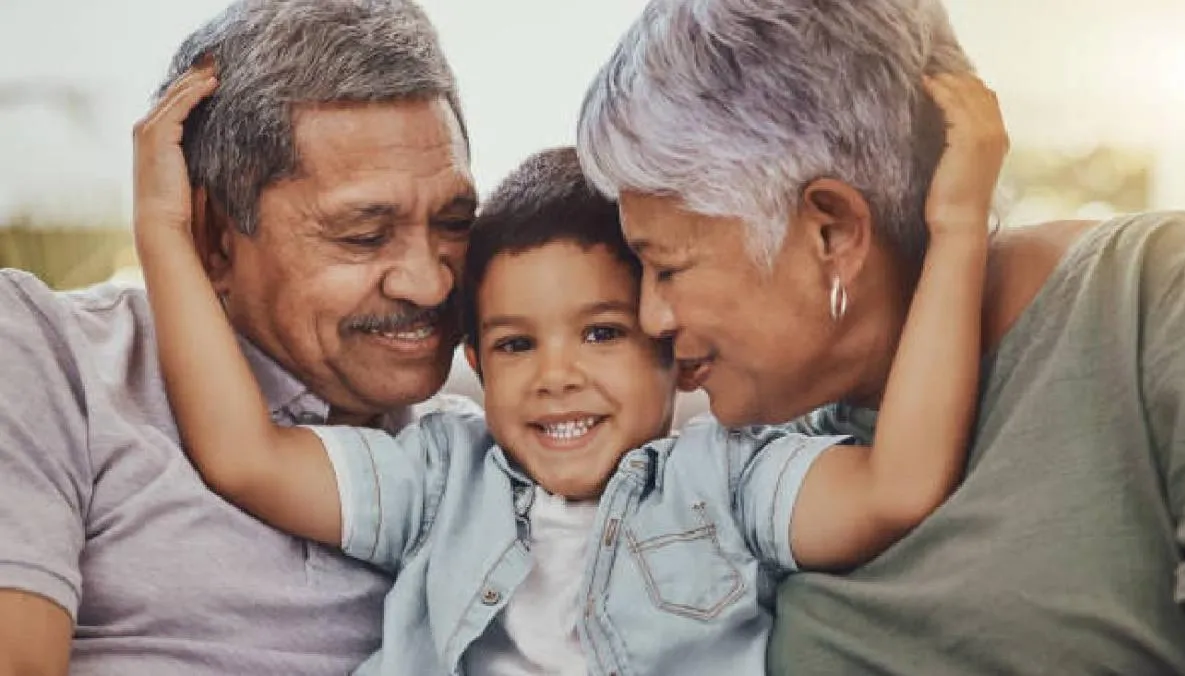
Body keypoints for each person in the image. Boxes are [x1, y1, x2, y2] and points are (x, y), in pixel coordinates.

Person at [133, 56, 1004, 672]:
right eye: (515, 345)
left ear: (672, 347)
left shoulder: (731, 480)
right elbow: (244, 456)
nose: (555, 375)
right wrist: (166, 237)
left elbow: (897, 487)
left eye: (601, 333)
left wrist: (958, 231)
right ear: (476, 359)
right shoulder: (442, 477)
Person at [576, 0, 1185, 673]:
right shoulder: (757, 459)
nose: (652, 320)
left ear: (833, 233)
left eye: (668, 267)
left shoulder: (1153, 297)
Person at [0, 0, 476, 673]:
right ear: (215, 241)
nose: (429, 285)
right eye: (364, 236)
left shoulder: (479, 461)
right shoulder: (47, 355)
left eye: (455, 223)